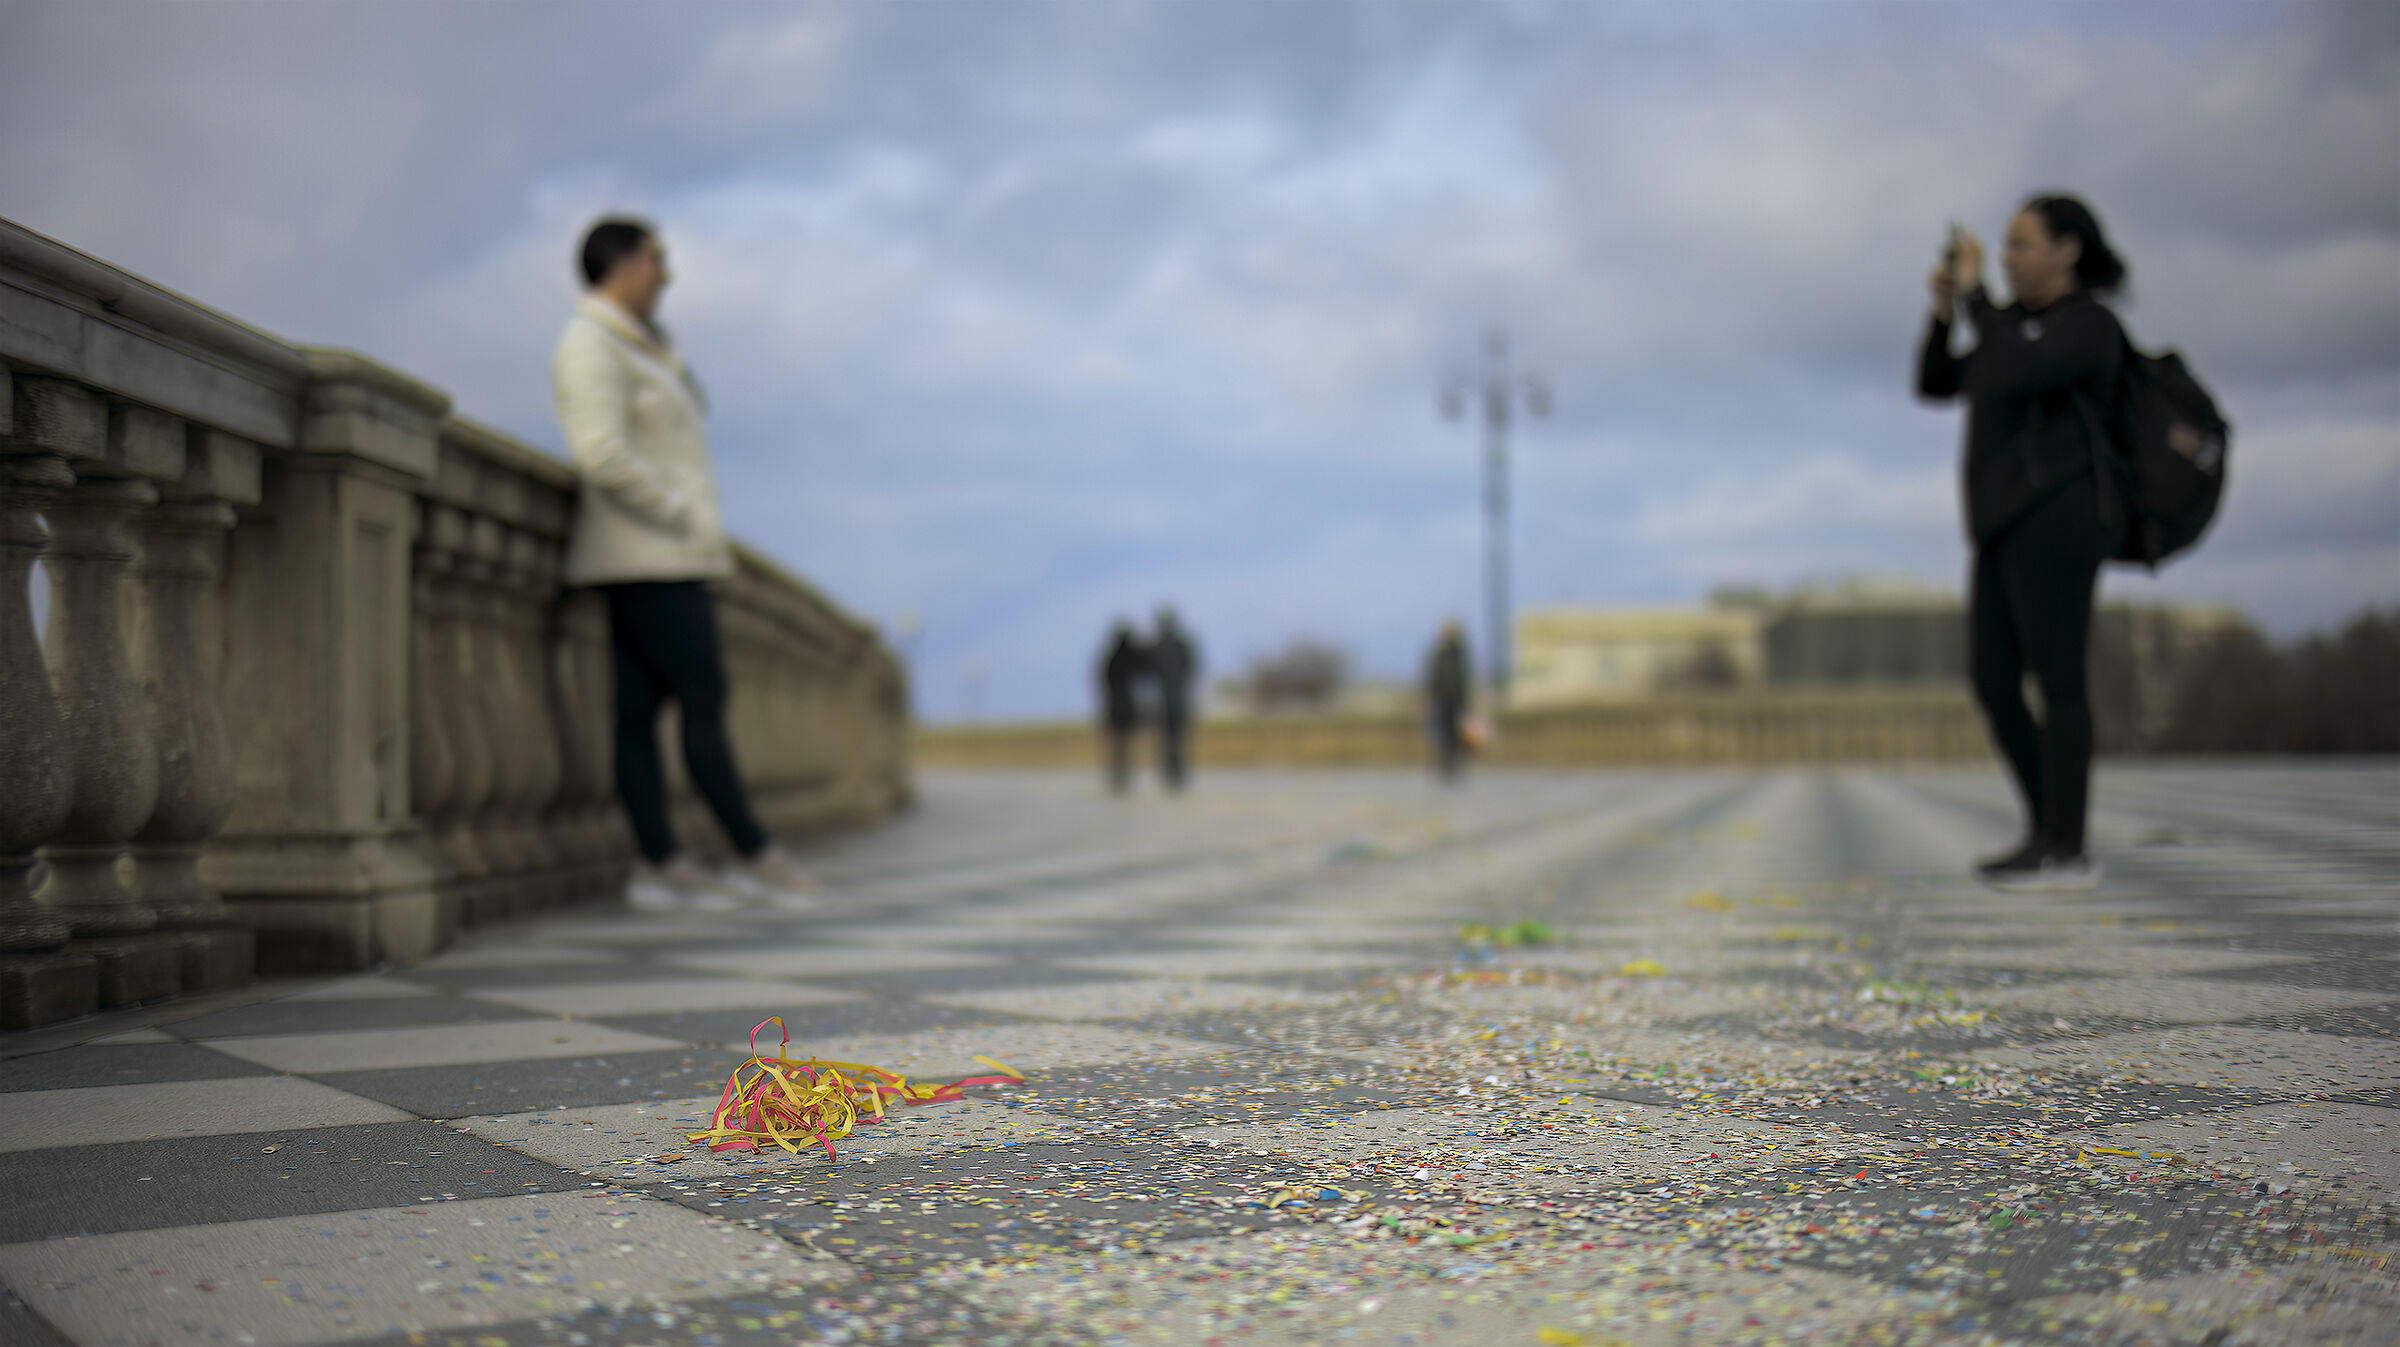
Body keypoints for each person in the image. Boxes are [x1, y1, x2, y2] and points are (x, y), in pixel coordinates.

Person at [554, 216, 814, 910]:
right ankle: (755, 851)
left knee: (639, 713)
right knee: (702, 701)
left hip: (656, 555)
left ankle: (659, 862)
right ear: (621, 263)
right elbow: (599, 451)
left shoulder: (642, 344)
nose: (665, 275)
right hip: (649, 556)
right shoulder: (590, 343)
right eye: (656, 260)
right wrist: (678, 513)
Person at [1917, 194, 2131, 891]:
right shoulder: (2005, 328)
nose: (2007, 259)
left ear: (2068, 250)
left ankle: (2067, 844)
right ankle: (2046, 830)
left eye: (2021, 244)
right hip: (1999, 526)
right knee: (1993, 680)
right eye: (2005, 246)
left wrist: (1977, 299)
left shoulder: (2090, 326)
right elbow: (1935, 381)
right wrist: (1945, 310)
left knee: (2059, 679)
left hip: (2060, 521)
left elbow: (2021, 369)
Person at [1147, 607, 1199, 792]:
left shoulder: (1156, 647)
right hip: (1177, 699)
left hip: (1166, 700)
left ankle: (1172, 773)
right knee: (1177, 740)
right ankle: (1176, 774)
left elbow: (1150, 672)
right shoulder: (1181, 646)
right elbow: (1190, 667)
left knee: (1169, 740)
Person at [1097, 620, 1148, 795]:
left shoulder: (1111, 657)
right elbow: (1144, 674)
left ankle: (1119, 776)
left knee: (1118, 745)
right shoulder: (1134, 655)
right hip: (1128, 706)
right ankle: (1123, 776)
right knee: (1126, 744)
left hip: (1115, 707)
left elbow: (1103, 680)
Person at [1423, 619, 1472, 782]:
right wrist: (1430, 697)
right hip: (1442, 699)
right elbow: (1433, 675)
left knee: (1457, 733)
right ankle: (1444, 764)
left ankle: (1454, 763)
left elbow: (1465, 676)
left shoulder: (1460, 652)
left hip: (1458, 699)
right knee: (1442, 733)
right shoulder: (1441, 653)